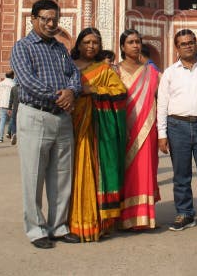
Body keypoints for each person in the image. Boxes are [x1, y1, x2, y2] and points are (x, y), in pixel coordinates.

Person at [10, 0, 82, 249]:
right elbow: (27, 81)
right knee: (33, 175)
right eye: (46, 19)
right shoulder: (22, 47)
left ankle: (58, 226)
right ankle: (36, 229)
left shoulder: (61, 49)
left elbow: (75, 74)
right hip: (35, 115)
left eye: (54, 19)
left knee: (62, 175)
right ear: (33, 19)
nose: (51, 24)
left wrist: (71, 91)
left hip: (62, 118)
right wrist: (59, 96)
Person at [68, 27, 128, 241]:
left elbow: (120, 91)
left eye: (95, 42)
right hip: (70, 126)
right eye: (87, 42)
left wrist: (93, 91)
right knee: (68, 174)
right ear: (78, 44)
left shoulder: (103, 69)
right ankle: (67, 221)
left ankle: (93, 221)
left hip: (96, 130)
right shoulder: (67, 66)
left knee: (92, 172)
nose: (91, 46)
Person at [157, 29, 197, 231]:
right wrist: (162, 134)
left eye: (191, 42)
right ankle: (185, 213)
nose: (188, 46)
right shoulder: (170, 73)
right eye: (183, 43)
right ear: (177, 48)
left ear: (196, 43)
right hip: (177, 126)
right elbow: (162, 105)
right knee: (181, 175)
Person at [117, 29, 160, 230]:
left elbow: (163, 97)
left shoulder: (151, 72)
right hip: (123, 129)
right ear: (123, 47)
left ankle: (143, 218)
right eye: (130, 42)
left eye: (138, 42)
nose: (135, 45)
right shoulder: (114, 72)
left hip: (147, 128)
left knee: (145, 170)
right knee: (124, 172)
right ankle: (124, 217)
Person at [0, 70, 15, 143]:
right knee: (13, 120)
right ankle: (10, 134)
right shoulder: (13, 84)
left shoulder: (0, 83)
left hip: (2, 103)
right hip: (10, 104)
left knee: (2, 121)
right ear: (12, 76)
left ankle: (0, 138)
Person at [8, 79, 19, 145]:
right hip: (23, 108)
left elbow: (11, 99)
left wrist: (9, 108)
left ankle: (14, 134)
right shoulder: (23, 88)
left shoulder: (13, 88)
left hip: (15, 108)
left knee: (14, 122)